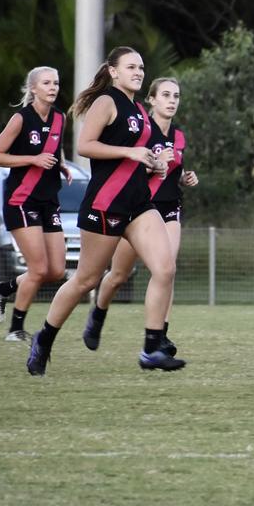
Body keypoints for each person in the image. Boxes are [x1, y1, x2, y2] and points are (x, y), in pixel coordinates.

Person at [25, 46, 184, 376]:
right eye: (130, 67)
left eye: (141, 67)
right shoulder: (106, 102)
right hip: (105, 204)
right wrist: (131, 152)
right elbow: (85, 146)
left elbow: (139, 156)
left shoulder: (140, 109)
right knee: (86, 280)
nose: (138, 72)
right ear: (113, 71)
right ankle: (44, 338)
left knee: (165, 268)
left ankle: (151, 349)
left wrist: (153, 163)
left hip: (139, 203)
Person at [80, 77, 199, 354]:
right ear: (152, 100)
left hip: (167, 208)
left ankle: (160, 337)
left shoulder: (178, 135)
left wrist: (184, 177)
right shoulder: (140, 129)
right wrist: (154, 165)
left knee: (166, 269)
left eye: (176, 96)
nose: (172, 101)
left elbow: (174, 170)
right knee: (119, 275)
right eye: (166, 95)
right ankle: (98, 313)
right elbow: (126, 169)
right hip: (136, 208)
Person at [0, 66, 72, 341]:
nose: (53, 87)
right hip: (21, 200)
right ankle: (15, 330)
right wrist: (32, 160)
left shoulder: (60, 118)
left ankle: (4, 289)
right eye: (46, 83)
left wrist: (61, 166)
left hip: (49, 200)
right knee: (38, 269)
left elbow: (54, 150)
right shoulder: (20, 119)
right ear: (33, 88)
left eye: (56, 83)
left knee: (57, 270)